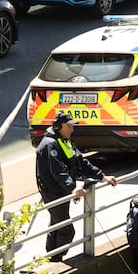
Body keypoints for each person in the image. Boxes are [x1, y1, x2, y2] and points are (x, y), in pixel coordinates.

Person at [35, 111, 117, 262]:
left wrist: (102, 176)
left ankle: (51, 258)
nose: (72, 130)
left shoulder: (64, 140)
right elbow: (58, 170)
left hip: (62, 190)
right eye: (69, 127)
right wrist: (72, 188)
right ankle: (55, 258)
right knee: (66, 229)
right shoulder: (50, 145)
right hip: (53, 192)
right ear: (59, 127)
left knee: (57, 223)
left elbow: (81, 162)